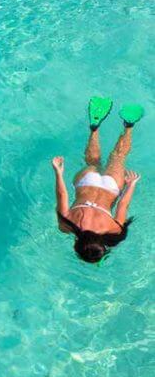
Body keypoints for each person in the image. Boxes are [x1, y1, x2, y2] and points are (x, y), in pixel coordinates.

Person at [53, 97, 144, 263]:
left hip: (111, 187)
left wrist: (131, 185)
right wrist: (58, 172)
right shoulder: (66, 225)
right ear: (77, 244)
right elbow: (62, 194)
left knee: (119, 157)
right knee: (93, 162)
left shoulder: (114, 230)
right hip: (87, 182)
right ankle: (94, 128)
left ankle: (129, 125)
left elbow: (123, 204)